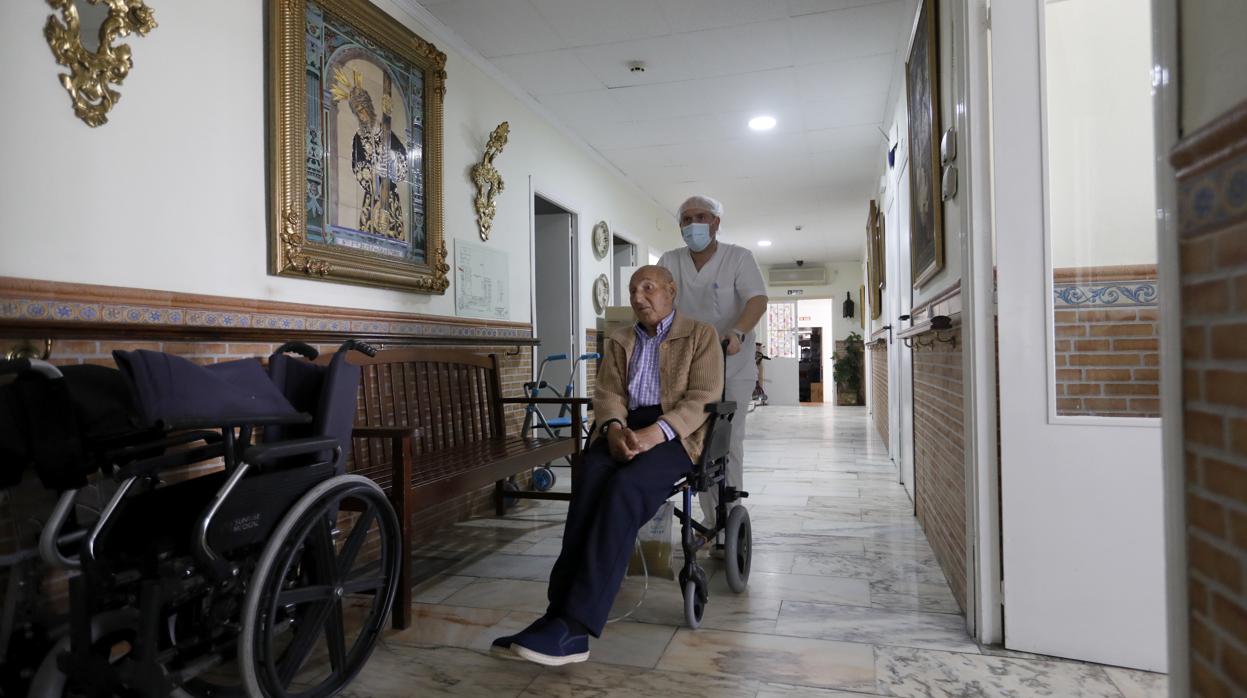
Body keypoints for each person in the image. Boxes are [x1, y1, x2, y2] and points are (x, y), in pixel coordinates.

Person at [491, 266, 723, 666]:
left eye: (648, 288)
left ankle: (577, 628)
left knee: (624, 489)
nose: (638, 297)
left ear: (671, 292)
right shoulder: (620, 339)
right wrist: (614, 428)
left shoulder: (701, 335)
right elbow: (608, 393)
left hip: (676, 434)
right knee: (590, 480)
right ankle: (555, 614)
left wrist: (656, 433)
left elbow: (702, 398)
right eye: (633, 290)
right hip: (625, 425)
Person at [658, 195, 767, 535]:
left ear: (716, 222)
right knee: (693, 438)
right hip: (686, 363)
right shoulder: (670, 260)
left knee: (727, 440)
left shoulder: (738, 257)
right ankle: (710, 516)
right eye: (686, 219)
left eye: (700, 217)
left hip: (730, 360)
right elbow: (658, 299)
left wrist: (736, 331)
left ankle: (729, 513)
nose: (693, 225)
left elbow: (757, 300)